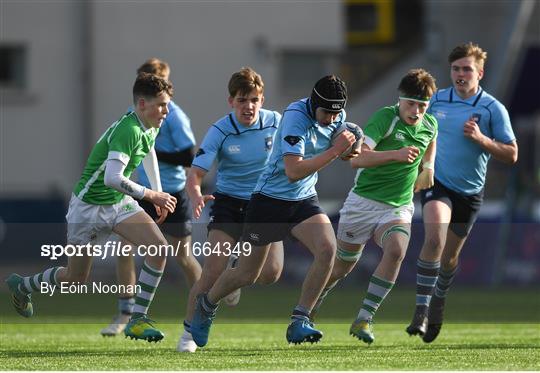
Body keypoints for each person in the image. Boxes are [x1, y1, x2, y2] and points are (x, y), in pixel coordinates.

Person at [189, 75, 360, 348]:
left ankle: (300, 320)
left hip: (304, 198)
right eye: (326, 112)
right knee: (248, 274)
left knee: (327, 249)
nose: (331, 118)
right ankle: (207, 305)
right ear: (314, 104)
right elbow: (293, 171)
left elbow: (341, 141)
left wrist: (351, 149)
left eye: (336, 113)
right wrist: (335, 151)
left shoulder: (335, 114)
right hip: (270, 200)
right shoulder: (294, 118)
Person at [6, 73, 177, 342]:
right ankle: (22, 285)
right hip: (87, 209)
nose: (166, 111)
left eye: (167, 104)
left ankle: (137, 320)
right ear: (142, 104)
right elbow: (112, 177)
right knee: (76, 278)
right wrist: (153, 195)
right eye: (161, 105)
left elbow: (149, 150)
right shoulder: (128, 130)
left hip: (117, 203)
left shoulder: (149, 124)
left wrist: (159, 189)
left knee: (158, 250)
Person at [308, 69, 438, 345]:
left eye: (422, 106)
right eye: (411, 104)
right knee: (342, 266)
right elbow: (357, 159)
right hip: (363, 203)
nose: (416, 111)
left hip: (398, 206)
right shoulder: (385, 118)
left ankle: (365, 317)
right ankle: (314, 301)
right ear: (400, 100)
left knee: (396, 250)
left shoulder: (430, 125)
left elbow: (430, 141)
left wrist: (429, 166)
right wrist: (396, 155)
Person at [406, 42, 518, 343]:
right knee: (434, 237)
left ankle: (439, 300)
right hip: (437, 183)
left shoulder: (492, 108)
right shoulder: (437, 100)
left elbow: (511, 154)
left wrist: (481, 139)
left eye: (466, 69)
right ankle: (421, 310)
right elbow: (410, 121)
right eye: (455, 68)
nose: (460, 74)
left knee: (450, 258)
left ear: (479, 73)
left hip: (469, 193)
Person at [180, 67, 284, 353]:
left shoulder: (276, 122)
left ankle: (234, 275)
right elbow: (196, 174)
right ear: (231, 101)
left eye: (254, 99)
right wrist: (196, 195)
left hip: (265, 205)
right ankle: (188, 334)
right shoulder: (220, 130)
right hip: (228, 206)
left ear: (262, 100)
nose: (248, 106)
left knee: (271, 274)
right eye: (242, 100)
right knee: (212, 271)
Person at [100, 58, 202, 337]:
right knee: (123, 249)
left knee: (182, 256)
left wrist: (147, 148)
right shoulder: (135, 114)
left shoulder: (174, 115)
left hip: (172, 193)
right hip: (143, 192)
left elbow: (187, 155)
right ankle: (126, 312)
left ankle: (206, 305)